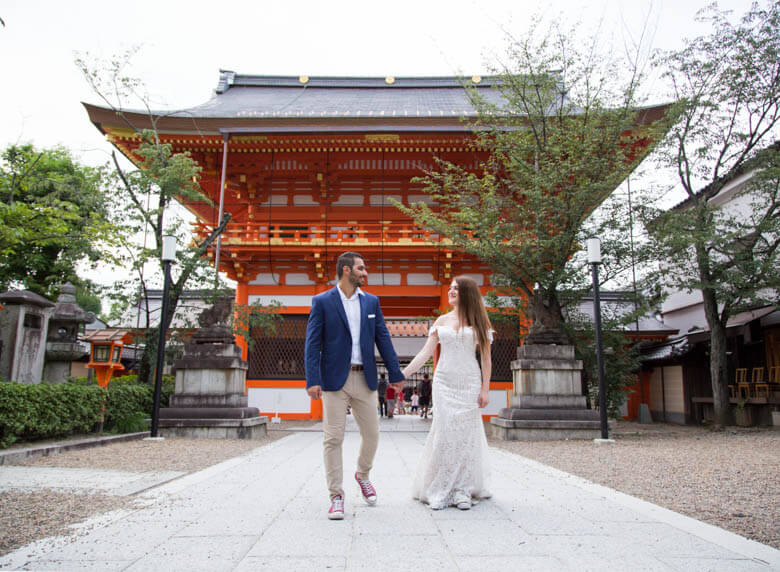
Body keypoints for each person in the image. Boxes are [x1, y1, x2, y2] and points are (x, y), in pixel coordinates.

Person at [305, 251, 405, 520]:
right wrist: (312, 379)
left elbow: (383, 338)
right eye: (361, 268)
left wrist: (395, 372)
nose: (366, 272)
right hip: (333, 380)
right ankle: (336, 495)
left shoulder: (371, 302)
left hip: (365, 378)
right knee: (333, 438)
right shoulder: (322, 301)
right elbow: (313, 344)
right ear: (346, 270)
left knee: (372, 434)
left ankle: (362, 475)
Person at [402, 275, 492, 510]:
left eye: (456, 289)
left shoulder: (479, 322)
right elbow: (425, 353)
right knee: (444, 433)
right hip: (443, 382)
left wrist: (485, 389)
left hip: (469, 382)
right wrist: (402, 375)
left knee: (464, 437)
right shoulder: (441, 320)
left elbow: (486, 358)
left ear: (467, 293)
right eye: (450, 288)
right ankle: (439, 487)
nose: (451, 292)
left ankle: (462, 489)